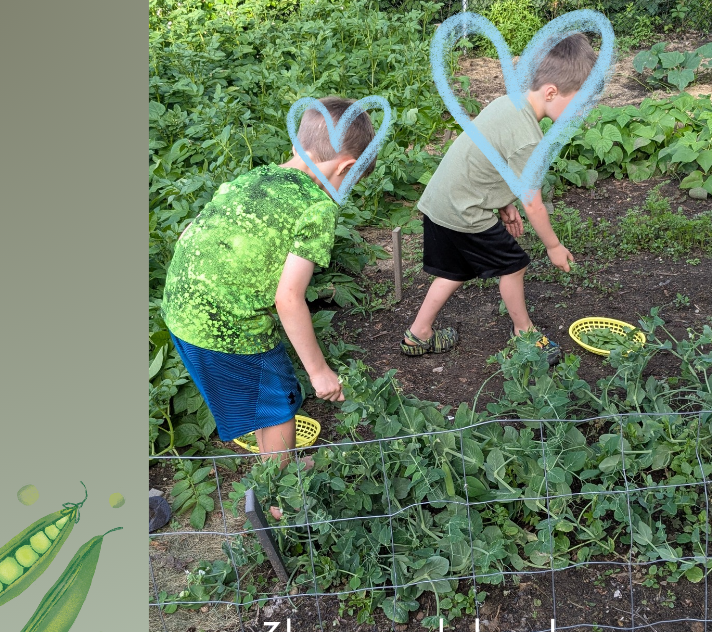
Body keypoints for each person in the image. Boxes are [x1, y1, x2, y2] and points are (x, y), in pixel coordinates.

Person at [161, 97, 375, 510]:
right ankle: (278, 500)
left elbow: (191, 231)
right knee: (278, 404)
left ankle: (278, 465)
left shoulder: (255, 177)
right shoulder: (316, 208)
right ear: (346, 167)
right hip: (226, 327)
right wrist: (319, 372)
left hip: (180, 309)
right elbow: (288, 297)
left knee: (265, 401)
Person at [401, 33, 598, 364]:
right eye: (578, 103)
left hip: (442, 202)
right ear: (551, 92)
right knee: (514, 265)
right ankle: (524, 334)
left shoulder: (508, 104)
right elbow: (533, 203)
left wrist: (504, 203)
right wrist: (553, 246)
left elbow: (488, 158)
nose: (580, 113)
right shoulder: (529, 139)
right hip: (465, 211)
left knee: (454, 270)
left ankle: (417, 334)